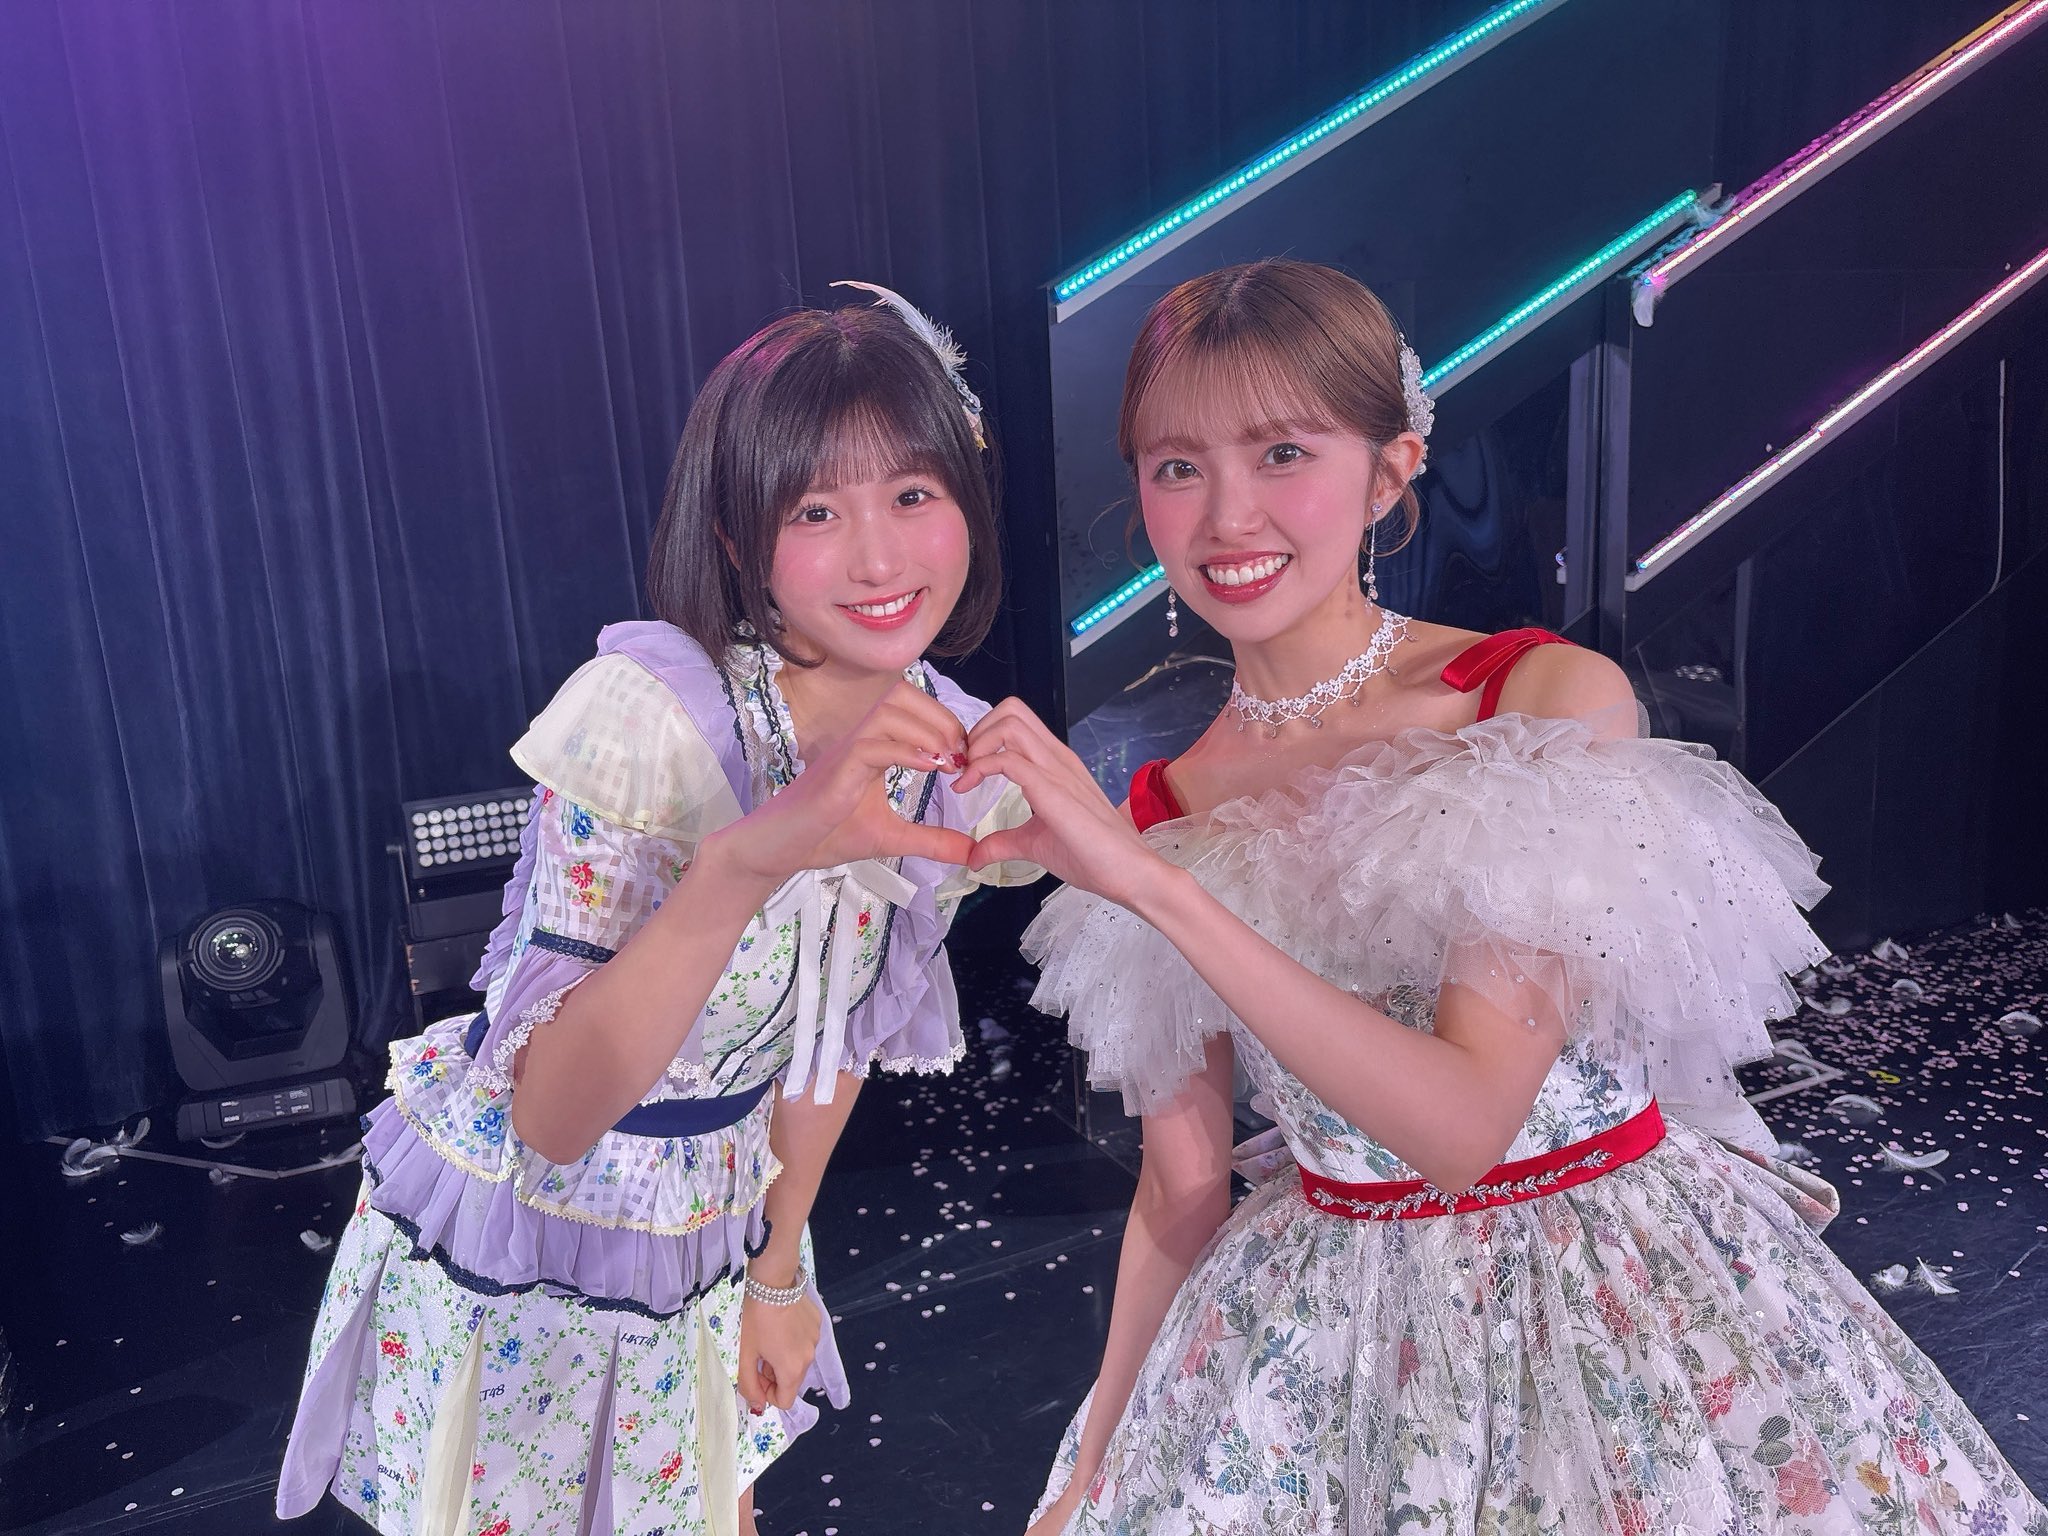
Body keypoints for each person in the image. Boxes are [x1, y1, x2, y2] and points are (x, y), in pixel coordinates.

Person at [953, 259, 2047, 1535]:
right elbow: (1180, 1187)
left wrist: (1152, 887)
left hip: (1598, 1297)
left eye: (1282, 452)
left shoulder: (1533, 702)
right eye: (1177, 466)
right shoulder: (1163, 808)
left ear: (1391, 471)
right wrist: (1093, 1461)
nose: (1226, 516)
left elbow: (1466, 1121)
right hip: (1324, 1335)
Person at [276, 284, 1032, 1536]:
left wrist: (776, 1272)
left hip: (715, 1218)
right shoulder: (654, 718)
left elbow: (828, 1044)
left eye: (912, 494)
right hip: (529, 1227)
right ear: (736, 538)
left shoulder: (944, 746)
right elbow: (555, 1116)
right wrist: (742, 865)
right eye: (814, 511)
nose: (880, 558)